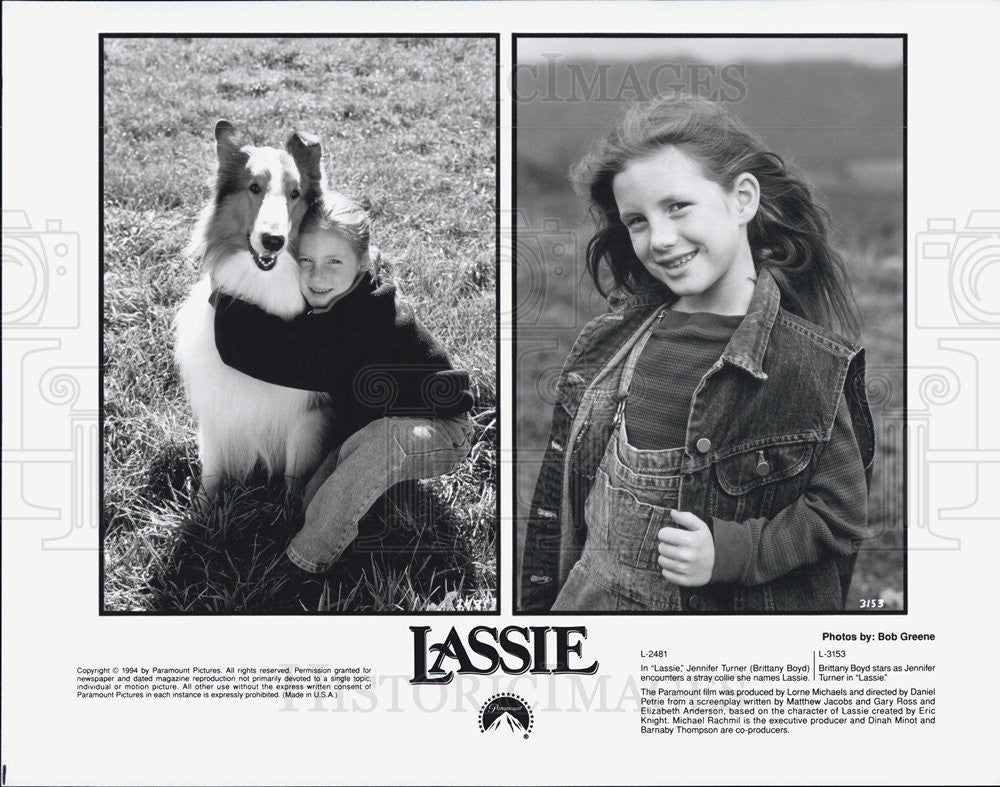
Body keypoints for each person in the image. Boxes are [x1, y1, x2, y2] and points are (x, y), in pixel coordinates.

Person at [520, 95, 876, 613]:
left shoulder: (811, 365)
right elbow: (563, 506)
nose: (659, 238)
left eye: (678, 206)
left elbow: (840, 516)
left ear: (742, 199)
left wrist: (736, 551)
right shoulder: (608, 345)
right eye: (636, 221)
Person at [211, 191, 474, 573]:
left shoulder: (365, 321)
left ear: (363, 262)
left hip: (442, 426)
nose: (318, 276)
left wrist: (225, 290)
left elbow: (249, 353)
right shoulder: (333, 301)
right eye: (306, 261)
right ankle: (377, 516)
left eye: (334, 262)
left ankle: (304, 563)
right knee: (315, 498)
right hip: (373, 427)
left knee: (380, 447)